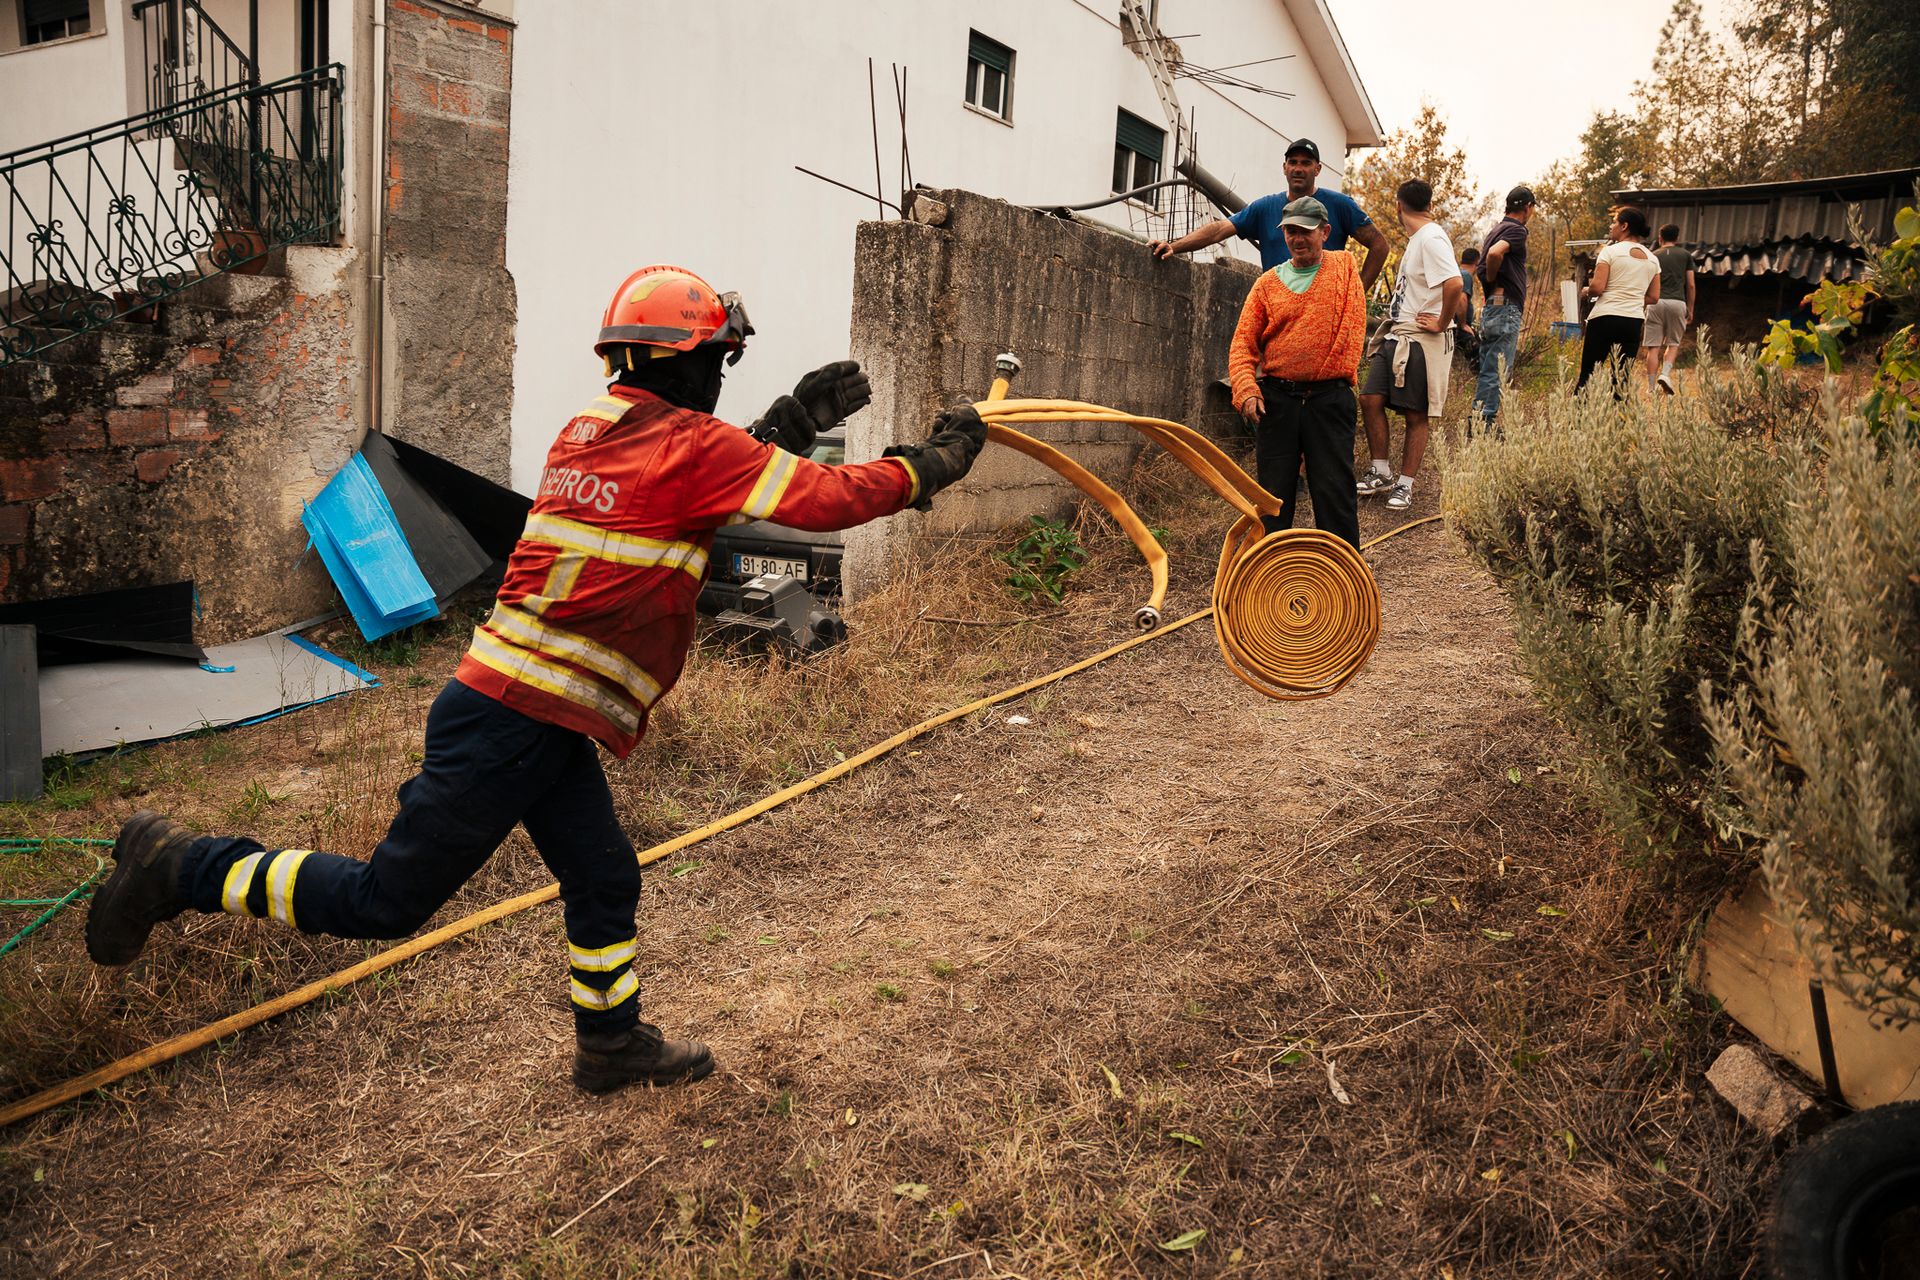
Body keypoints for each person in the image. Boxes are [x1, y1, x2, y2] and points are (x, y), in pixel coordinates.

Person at [84, 264, 988, 1095]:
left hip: (523, 709)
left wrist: (782, 428)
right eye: (717, 357)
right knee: (385, 900)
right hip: (515, 719)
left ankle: (609, 1044)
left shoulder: (593, 431)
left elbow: (682, 490)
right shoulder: (692, 449)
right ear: (687, 364)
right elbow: (825, 499)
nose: (720, 372)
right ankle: (183, 868)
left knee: (603, 876)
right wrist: (933, 461)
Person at [1226, 197, 1368, 548]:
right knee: (1272, 499)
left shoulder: (1345, 269)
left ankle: (1345, 583)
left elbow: (1354, 330)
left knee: (1334, 494)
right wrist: (1246, 389)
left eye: (1306, 230)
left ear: (1325, 232)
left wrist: (1326, 376)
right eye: (1290, 230)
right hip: (1278, 401)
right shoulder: (1267, 285)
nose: (1297, 238)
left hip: (1330, 399)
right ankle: (1270, 583)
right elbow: (1243, 344)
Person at [1148, 138, 1389, 294]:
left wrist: (1357, 292)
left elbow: (1379, 245)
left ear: (1317, 169)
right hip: (1277, 308)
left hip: (1323, 309)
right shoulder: (1266, 208)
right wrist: (1174, 246)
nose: (1298, 168)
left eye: (1306, 163)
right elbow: (1220, 229)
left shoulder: (1340, 205)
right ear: (1284, 167)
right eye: (1292, 162)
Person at [1356, 180, 1464, 512]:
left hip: (1420, 339)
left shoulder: (1431, 238)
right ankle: (1382, 470)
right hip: (1397, 333)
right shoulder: (1419, 239)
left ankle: (1405, 485)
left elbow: (1455, 283)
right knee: (1370, 398)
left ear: (1398, 205)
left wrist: (1442, 322)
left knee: (1417, 414)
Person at [1471, 186, 1536, 430]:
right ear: (1528, 207)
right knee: (1498, 368)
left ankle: (1479, 419)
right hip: (1505, 307)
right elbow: (1495, 255)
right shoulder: (1517, 230)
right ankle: (1484, 424)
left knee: (1489, 366)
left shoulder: (1496, 229)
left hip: (1493, 308)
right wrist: (1492, 279)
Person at [1578, 207, 1660, 397]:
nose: (1611, 226)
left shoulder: (1610, 252)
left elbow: (1598, 288)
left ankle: (1579, 420)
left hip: (1604, 318)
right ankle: (1619, 422)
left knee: (1589, 374)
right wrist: (1633, 297)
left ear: (1624, 226)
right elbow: (1654, 297)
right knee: (1622, 377)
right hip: (1633, 321)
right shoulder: (1652, 258)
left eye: (1614, 221)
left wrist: (1586, 291)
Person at [1641, 222, 1695, 394]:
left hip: (1655, 302)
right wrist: (1691, 308)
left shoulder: (1652, 255)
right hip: (1677, 303)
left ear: (1659, 238)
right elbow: (1691, 285)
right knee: (1673, 343)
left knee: (1653, 347)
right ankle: (1665, 374)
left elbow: (1646, 282)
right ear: (1677, 238)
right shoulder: (1686, 255)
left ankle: (1650, 389)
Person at [1457, 246, 1483, 375]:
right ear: (1477, 262)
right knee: (1479, 353)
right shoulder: (1465, 275)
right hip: (1459, 326)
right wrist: (1463, 324)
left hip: (1456, 324)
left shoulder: (1456, 272)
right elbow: (1462, 299)